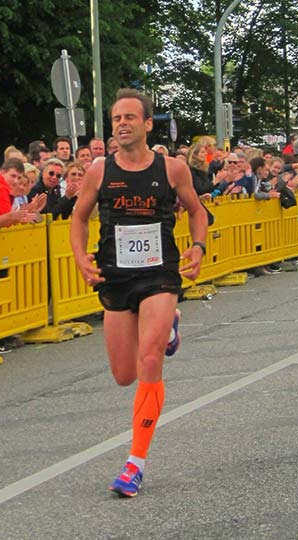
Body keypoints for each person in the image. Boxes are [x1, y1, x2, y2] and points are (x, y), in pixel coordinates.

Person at [70, 88, 207, 498]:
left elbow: (197, 211)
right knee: (123, 375)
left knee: (149, 361)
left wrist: (197, 247)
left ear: (148, 124)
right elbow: (78, 219)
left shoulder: (173, 169)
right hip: (116, 276)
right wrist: (80, 258)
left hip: (160, 274)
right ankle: (169, 329)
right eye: (116, 119)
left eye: (130, 117)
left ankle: (135, 463)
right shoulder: (99, 170)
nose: (122, 124)